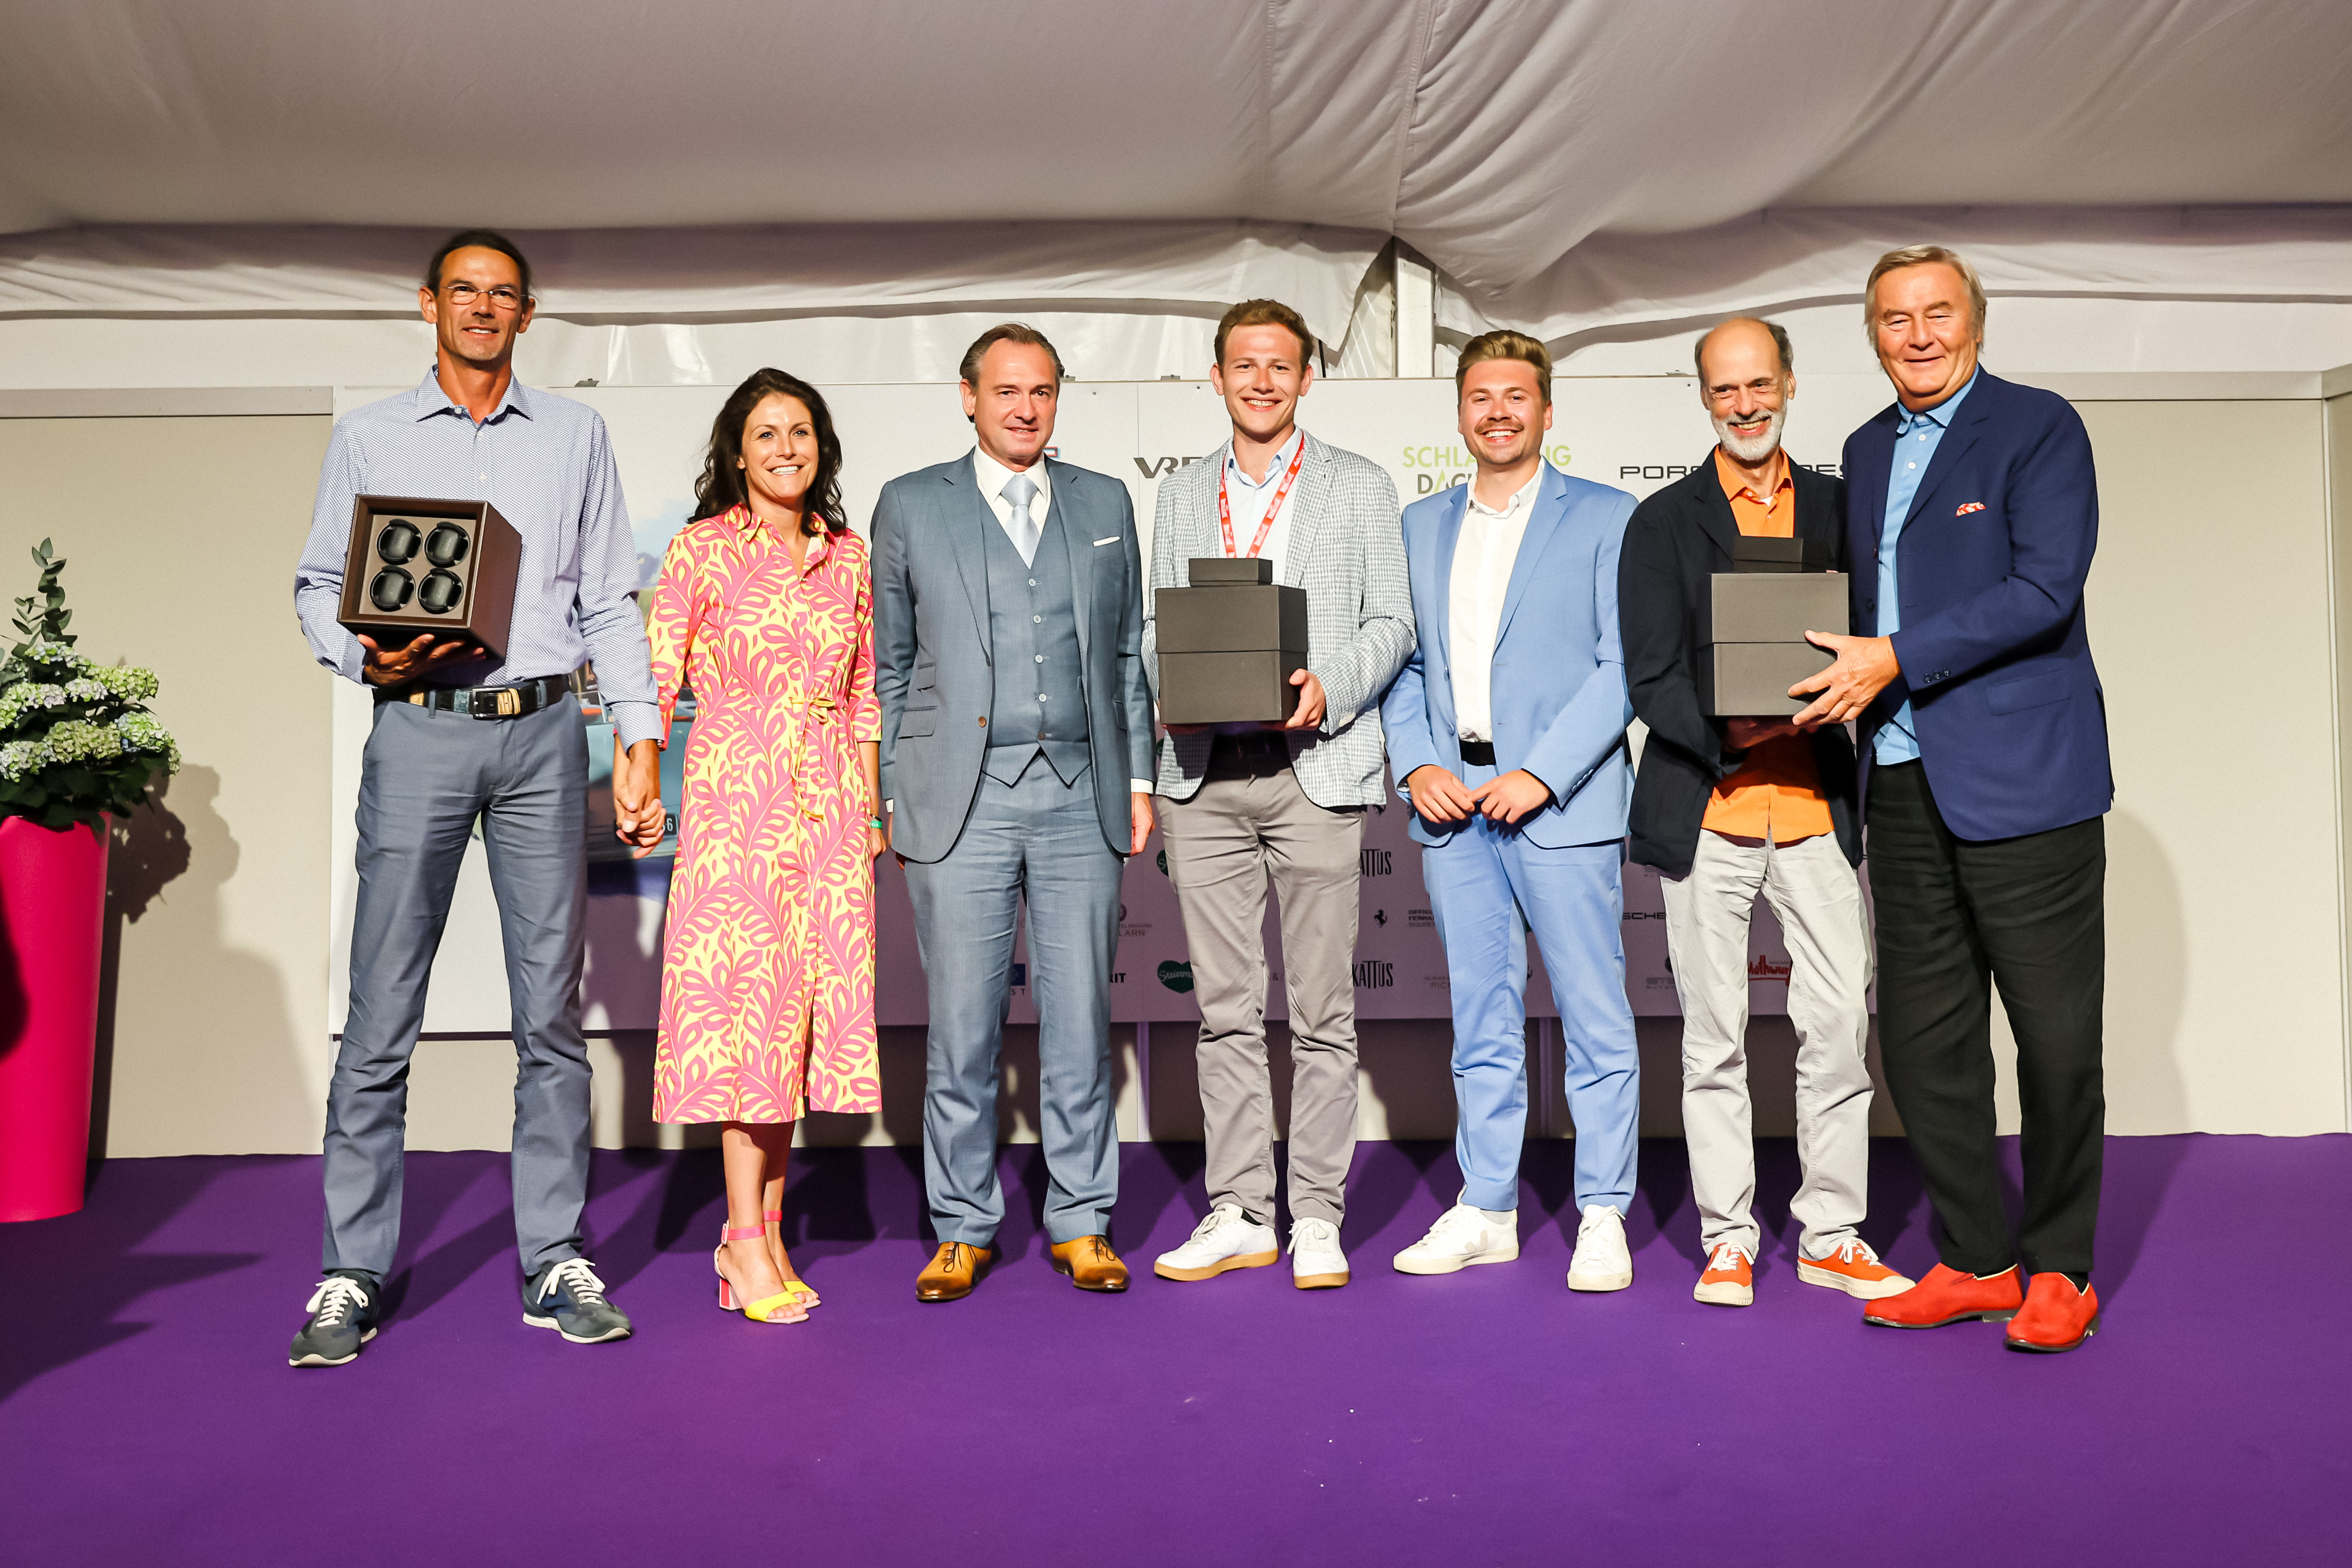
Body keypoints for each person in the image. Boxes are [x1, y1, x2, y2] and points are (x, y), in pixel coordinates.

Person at [287, 229, 663, 1366]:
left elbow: (609, 597)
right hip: (420, 731)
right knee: (381, 1010)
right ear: (429, 304)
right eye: (465, 291)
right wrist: (365, 656)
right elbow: (319, 584)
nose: (483, 308)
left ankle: (555, 1257)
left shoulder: (575, 435)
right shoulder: (370, 435)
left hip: (545, 733)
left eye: (504, 294)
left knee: (550, 1015)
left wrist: (639, 733)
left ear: (528, 315)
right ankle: (351, 1271)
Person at [1793, 245, 2111, 1353]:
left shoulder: (2038, 426)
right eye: (1896, 319)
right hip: (1897, 777)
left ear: (1975, 321)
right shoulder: (1864, 447)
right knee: (1926, 1041)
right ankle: (1977, 1259)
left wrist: (1891, 657)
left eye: (1937, 313)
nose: (1919, 335)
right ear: (1872, 335)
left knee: (2056, 1039)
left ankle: (2061, 1267)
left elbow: (2043, 589)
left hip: (2026, 779)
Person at [1619, 318, 1910, 1308]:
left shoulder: (1840, 507)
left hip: (1818, 809)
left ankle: (1832, 1233)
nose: (1744, 405)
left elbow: (1871, 636)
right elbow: (1650, 676)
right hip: (1709, 808)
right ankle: (1727, 1238)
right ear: (1704, 397)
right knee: (1713, 1040)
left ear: (1788, 383)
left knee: (1838, 1026)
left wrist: (1850, 687)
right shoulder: (1662, 522)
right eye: (1724, 389)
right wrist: (1727, 727)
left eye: (1758, 384)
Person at [872, 324, 1155, 1302]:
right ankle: (962, 1224)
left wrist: (1139, 779)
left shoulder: (1105, 500)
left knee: (1081, 1022)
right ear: (969, 397)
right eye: (1006, 390)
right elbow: (893, 664)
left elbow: (1127, 655)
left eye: (1041, 391)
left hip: (1082, 791)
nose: (1025, 408)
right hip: (960, 798)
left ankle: (1083, 1219)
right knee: (962, 1029)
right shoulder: (911, 503)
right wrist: (896, 788)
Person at [1143, 299, 1413, 1292]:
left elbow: (1392, 623)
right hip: (1205, 776)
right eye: (1244, 365)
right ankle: (1242, 1210)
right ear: (1216, 377)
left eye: (1280, 366)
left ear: (1306, 378)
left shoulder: (1359, 484)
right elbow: (1154, 625)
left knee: (1322, 1014)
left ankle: (1317, 1214)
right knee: (1223, 1011)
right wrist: (1171, 679)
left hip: (1317, 771)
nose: (1262, 381)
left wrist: (1330, 685)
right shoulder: (1181, 491)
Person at [1379, 330, 1642, 1292]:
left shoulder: (1609, 516)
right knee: (1480, 1019)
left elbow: (1627, 664)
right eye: (1481, 397)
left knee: (1595, 1017)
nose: (1498, 412)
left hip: (1559, 804)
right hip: (1456, 809)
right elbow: (1404, 663)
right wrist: (1417, 763)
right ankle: (1488, 1206)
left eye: (1517, 396)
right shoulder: (1418, 525)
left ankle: (1603, 1211)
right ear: (1459, 413)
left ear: (1547, 410)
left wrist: (1543, 773)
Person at [647, 369, 884, 1325]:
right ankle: (741, 1238)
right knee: (752, 1019)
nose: (786, 448)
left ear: (821, 447)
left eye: (801, 432)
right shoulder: (701, 549)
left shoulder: (848, 555)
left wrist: (871, 810)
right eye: (766, 434)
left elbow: (864, 693)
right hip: (736, 807)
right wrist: (637, 773)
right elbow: (656, 676)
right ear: (737, 454)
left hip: (831, 809)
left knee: (800, 1024)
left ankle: (767, 1232)